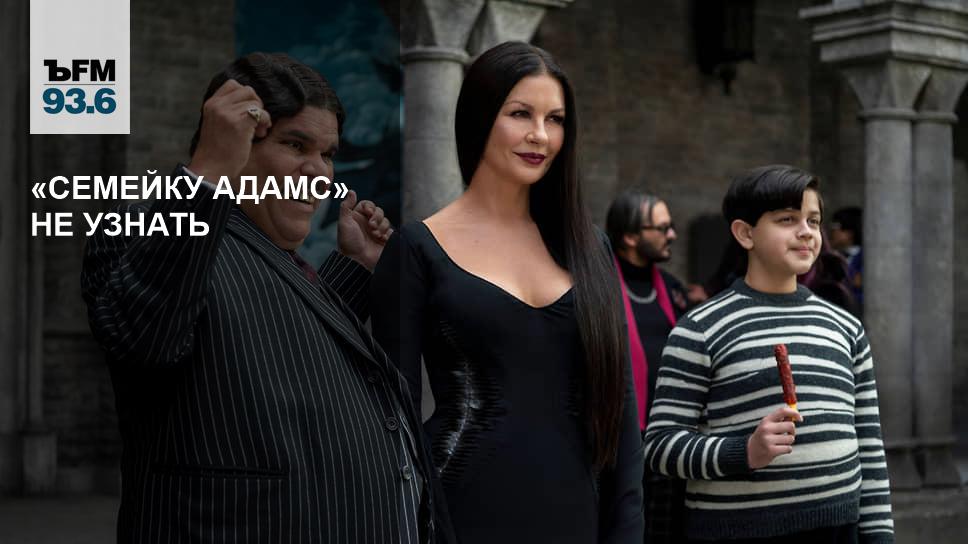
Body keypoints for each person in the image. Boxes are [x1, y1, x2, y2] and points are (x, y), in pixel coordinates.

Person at [81, 52, 453, 544]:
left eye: (327, 154)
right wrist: (206, 175)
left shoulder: (268, 254)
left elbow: (270, 350)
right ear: (232, 139)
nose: (319, 173)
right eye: (295, 145)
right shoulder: (139, 228)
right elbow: (145, 338)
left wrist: (355, 268)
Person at [371, 41, 643, 543]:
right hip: (460, 513)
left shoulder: (590, 247)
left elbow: (621, 408)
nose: (540, 134)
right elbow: (392, 423)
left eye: (555, 119)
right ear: (480, 117)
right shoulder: (416, 249)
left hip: (576, 516)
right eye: (520, 114)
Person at [643, 165, 894, 543]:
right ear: (745, 233)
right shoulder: (700, 329)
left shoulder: (845, 327)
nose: (806, 231)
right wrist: (744, 451)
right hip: (734, 531)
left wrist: (879, 536)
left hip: (839, 529)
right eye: (787, 219)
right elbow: (660, 447)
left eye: (813, 220)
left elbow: (870, 451)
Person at [605, 190, 689, 542]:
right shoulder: (599, 288)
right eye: (663, 228)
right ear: (630, 236)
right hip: (617, 440)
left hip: (667, 437)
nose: (672, 235)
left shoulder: (672, 288)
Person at [829, 206, 864, 308]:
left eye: (835, 227)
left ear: (850, 232)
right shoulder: (832, 256)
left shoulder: (866, 258)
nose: (832, 232)